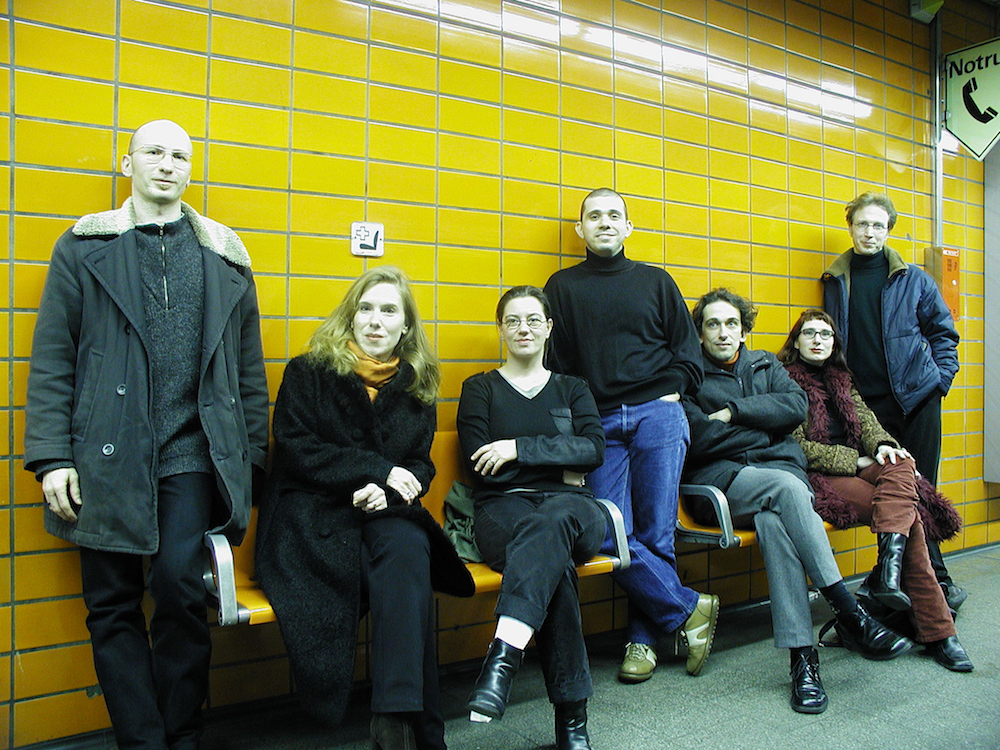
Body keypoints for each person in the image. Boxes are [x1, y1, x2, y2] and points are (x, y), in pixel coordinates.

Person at [24, 119, 270, 750]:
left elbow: (248, 372)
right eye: (154, 152)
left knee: (180, 592)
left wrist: (251, 464)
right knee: (111, 604)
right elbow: (53, 357)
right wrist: (51, 457)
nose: (167, 164)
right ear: (126, 162)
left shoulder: (225, 254)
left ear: (191, 169)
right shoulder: (84, 245)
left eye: (180, 156)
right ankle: (143, 741)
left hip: (192, 452)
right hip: (104, 451)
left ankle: (180, 735)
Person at [255, 266, 474, 750]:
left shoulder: (416, 385)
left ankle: (392, 719)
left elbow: (419, 465)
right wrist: (374, 471)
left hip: (381, 513)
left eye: (389, 311)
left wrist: (389, 491)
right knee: (410, 569)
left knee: (408, 546)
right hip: (311, 519)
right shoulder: (309, 371)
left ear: (405, 326)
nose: (375, 320)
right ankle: (420, 730)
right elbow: (294, 446)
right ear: (350, 317)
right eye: (366, 308)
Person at [683, 288, 913, 715]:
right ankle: (848, 610)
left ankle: (803, 661)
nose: (723, 332)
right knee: (787, 490)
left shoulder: (765, 364)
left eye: (732, 323)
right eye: (712, 324)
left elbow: (793, 407)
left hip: (779, 479)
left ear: (745, 330)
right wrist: (764, 428)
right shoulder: (689, 376)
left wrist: (733, 414)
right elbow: (698, 438)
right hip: (725, 485)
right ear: (700, 333)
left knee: (775, 523)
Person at [543, 188, 719, 685]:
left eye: (614, 215)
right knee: (606, 531)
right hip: (597, 421)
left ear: (628, 227)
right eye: (594, 216)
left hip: (657, 414)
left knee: (656, 533)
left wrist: (671, 390)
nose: (605, 222)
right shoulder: (561, 287)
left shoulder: (656, 281)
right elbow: (558, 366)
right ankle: (688, 608)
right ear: (580, 229)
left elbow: (688, 354)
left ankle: (643, 641)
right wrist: (574, 428)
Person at [777, 309, 972, 672]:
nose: (818, 340)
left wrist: (883, 445)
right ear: (796, 341)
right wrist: (855, 461)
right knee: (910, 520)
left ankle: (890, 569)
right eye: (809, 333)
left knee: (901, 462)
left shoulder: (842, 380)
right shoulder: (782, 380)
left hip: (860, 462)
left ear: (834, 343)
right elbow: (795, 447)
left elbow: (869, 423)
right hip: (822, 475)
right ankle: (939, 632)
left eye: (825, 334)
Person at [457, 286, 607, 750]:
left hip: (573, 508)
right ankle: (573, 720)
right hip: (502, 508)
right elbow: (479, 462)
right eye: (513, 321)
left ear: (548, 328)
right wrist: (560, 461)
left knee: (554, 521)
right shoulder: (479, 389)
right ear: (500, 329)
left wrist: (517, 449)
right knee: (552, 563)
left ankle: (503, 656)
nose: (523, 328)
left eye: (533, 320)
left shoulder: (573, 388)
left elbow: (593, 450)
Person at [822, 191, 965, 609]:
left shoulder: (914, 279)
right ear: (850, 227)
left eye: (878, 225)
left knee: (922, 489)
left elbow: (944, 335)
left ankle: (928, 583)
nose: (869, 232)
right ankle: (925, 584)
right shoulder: (835, 280)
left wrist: (938, 384)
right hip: (869, 412)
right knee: (896, 491)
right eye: (862, 224)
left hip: (917, 401)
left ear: (888, 230)